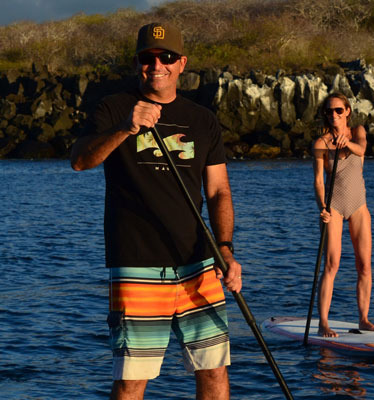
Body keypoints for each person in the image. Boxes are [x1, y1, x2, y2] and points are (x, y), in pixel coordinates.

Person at [71, 22, 242, 400]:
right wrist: (125, 128)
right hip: (137, 263)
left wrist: (226, 249)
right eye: (148, 58)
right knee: (133, 379)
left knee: (214, 372)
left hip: (199, 263)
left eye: (166, 57)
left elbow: (218, 191)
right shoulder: (114, 107)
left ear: (181, 63)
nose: (156, 65)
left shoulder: (202, 120)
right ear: (138, 64)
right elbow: (81, 161)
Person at [312, 92, 374, 337]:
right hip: (335, 208)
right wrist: (322, 207)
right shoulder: (321, 143)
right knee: (332, 265)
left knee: (364, 266)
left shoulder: (358, 132)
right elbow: (319, 182)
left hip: (359, 207)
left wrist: (346, 143)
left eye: (339, 110)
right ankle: (323, 323)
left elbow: (361, 151)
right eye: (330, 111)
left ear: (347, 111)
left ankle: (363, 319)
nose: (334, 115)